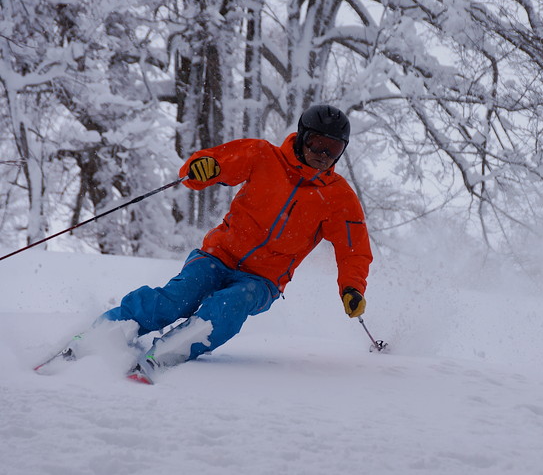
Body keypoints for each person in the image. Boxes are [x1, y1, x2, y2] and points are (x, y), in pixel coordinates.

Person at [39, 104, 373, 383]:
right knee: (176, 299)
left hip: (263, 280)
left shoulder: (338, 198)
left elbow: (353, 249)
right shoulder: (263, 155)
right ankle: (104, 334)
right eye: (316, 143)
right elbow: (214, 164)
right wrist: (205, 168)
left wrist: (352, 288)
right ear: (302, 137)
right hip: (218, 254)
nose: (322, 155)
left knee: (231, 304)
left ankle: (173, 349)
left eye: (333, 149)